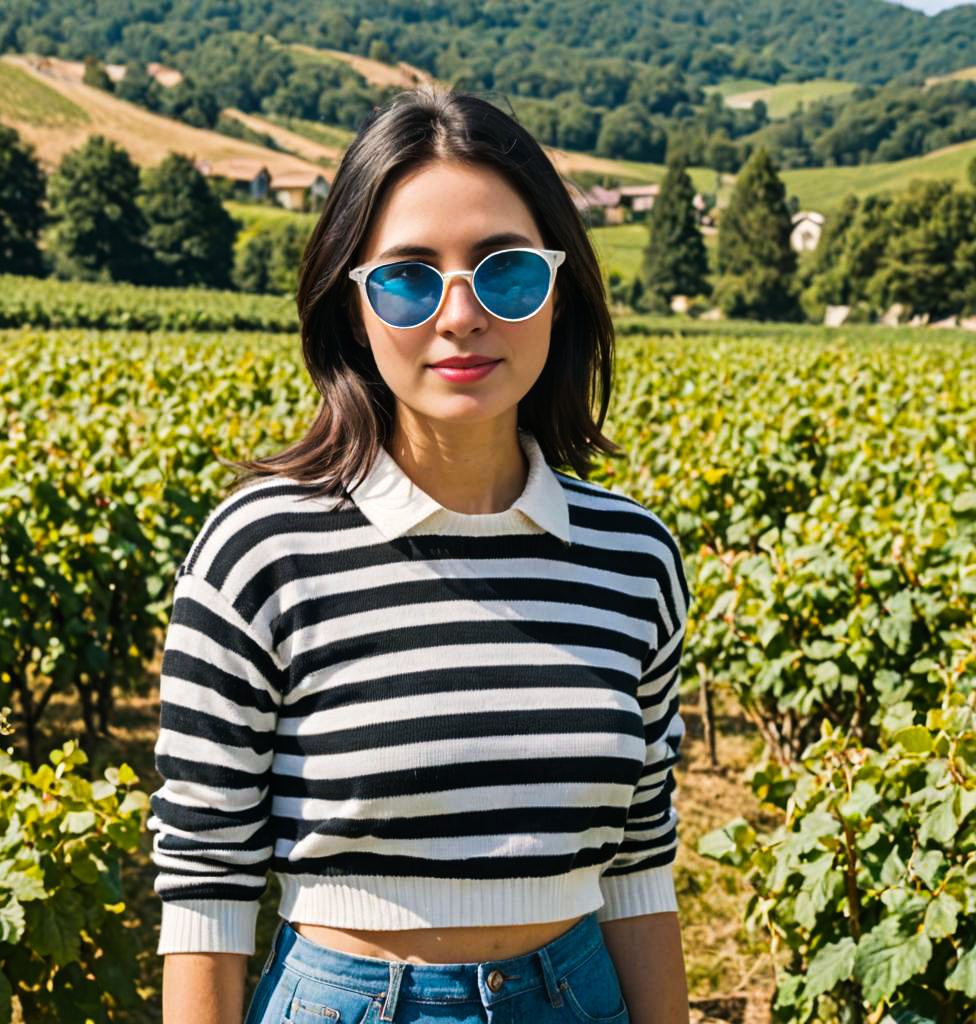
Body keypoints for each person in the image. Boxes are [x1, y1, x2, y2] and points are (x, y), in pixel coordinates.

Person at [148, 84, 691, 1024]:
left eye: (506, 272)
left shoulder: (633, 558)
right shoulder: (261, 551)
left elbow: (640, 863)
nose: (460, 314)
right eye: (406, 276)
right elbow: (205, 882)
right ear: (353, 307)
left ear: (559, 292)